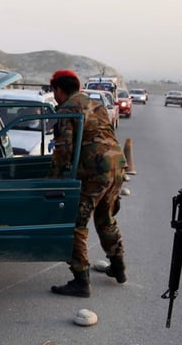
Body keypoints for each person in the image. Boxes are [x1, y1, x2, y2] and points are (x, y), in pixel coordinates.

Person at [46, 70, 127, 297]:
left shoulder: (66, 109)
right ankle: (118, 267)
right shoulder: (95, 104)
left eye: (54, 91)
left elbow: (63, 150)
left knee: (75, 224)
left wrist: (52, 181)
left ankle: (81, 280)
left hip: (94, 171)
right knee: (105, 217)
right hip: (116, 165)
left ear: (59, 90)